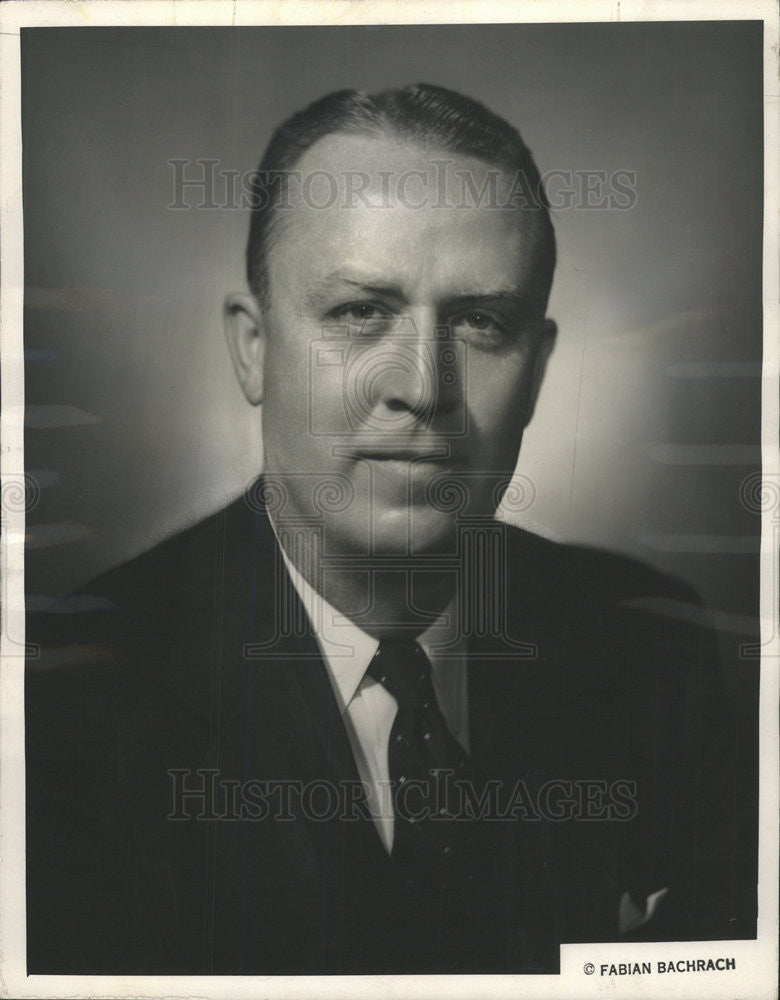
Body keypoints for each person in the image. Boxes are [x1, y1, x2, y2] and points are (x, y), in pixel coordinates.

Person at [25, 83, 755, 975]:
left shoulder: (653, 647)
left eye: (482, 322)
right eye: (360, 313)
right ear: (253, 348)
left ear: (536, 372)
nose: (424, 387)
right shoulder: (63, 709)